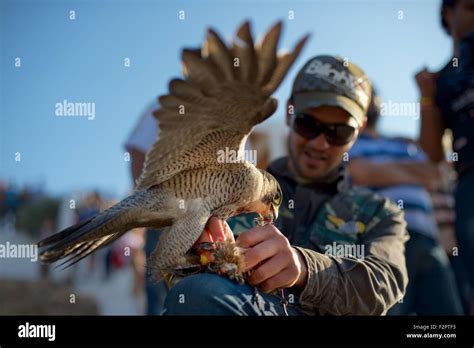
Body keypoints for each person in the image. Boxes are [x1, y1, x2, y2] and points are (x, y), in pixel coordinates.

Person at [162, 55, 409, 316]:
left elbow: (385, 283)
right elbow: (181, 283)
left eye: (338, 132)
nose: (319, 144)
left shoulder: (380, 212)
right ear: (289, 114)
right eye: (308, 124)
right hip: (242, 306)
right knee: (196, 293)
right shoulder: (231, 192)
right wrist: (197, 258)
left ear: (358, 131)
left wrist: (305, 270)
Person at [348, 90, 463, 315]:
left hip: (428, 238)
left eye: (375, 94)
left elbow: (433, 174)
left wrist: (382, 171)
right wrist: (411, 171)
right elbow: (362, 174)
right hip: (384, 241)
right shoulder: (348, 143)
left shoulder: (402, 142)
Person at [415, 0, 474, 313]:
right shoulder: (442, 80)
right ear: (448, 15)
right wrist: (425, 95)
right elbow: (431, 152)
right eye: (471, 8)